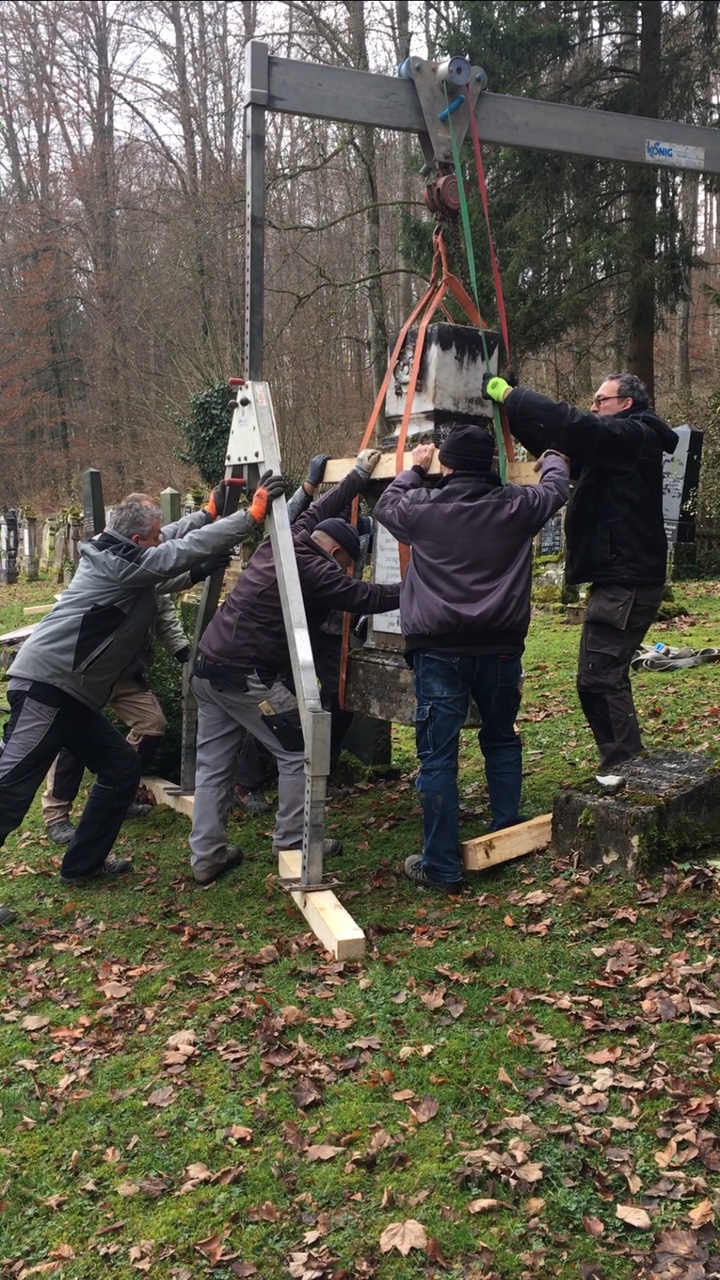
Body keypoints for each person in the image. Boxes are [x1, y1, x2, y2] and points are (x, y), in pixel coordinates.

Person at [0, 474, 282, 889]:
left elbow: (169, 542)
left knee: (120, 768)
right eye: (152, 538)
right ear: (136, 539)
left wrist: (207, 513)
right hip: (49, 685)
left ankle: (82, 866)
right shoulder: (118, 563)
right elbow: (177, 553)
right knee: (10, 788)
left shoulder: (120, 552)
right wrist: (249, 516)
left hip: (75, 694)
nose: (159, 540)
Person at [188, 449, 401, 886]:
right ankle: (293, 843)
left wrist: (357, 476)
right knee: (302, 748)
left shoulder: (290, 538)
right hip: (247, 676)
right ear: (337, 552)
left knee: (213, 765)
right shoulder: (316, 570)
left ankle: (206, 857)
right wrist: (422, 584)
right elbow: (366, 597)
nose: (346, 573)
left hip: (208, 667)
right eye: (347, 565)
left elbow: (322, 508)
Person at [374, 425, 569, 891]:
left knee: (438, 758)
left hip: (438, 650)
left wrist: (414, 469)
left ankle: (441, 867)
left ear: (448, 465)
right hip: (500, 648)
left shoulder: (424, 509)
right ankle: (507, 830)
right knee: (501, 738)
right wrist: (553, 457)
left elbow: (385, 505)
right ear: (491, 465)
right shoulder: (517, 506)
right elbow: (556, 488)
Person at [484, 372, 678, 778]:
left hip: (627, 581)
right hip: (619, 577)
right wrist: (513, 414)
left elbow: (575, 425)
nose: (593, 406)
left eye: (600, 400)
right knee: (599, 677)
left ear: (625, 403)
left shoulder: (635, 435)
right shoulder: (613, 447)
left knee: (599, 678)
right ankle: (625, 764)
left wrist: (515, 396)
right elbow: (560, 442)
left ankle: (626, 768)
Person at [42, 593, 193, 843]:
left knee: (152, 724)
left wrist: (182, 650)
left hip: (125, 673)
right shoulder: (109, 574)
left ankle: (115, 795)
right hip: (88, 670)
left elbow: (164, 613)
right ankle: (56, 816)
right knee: (74, 737)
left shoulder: (157, 579)